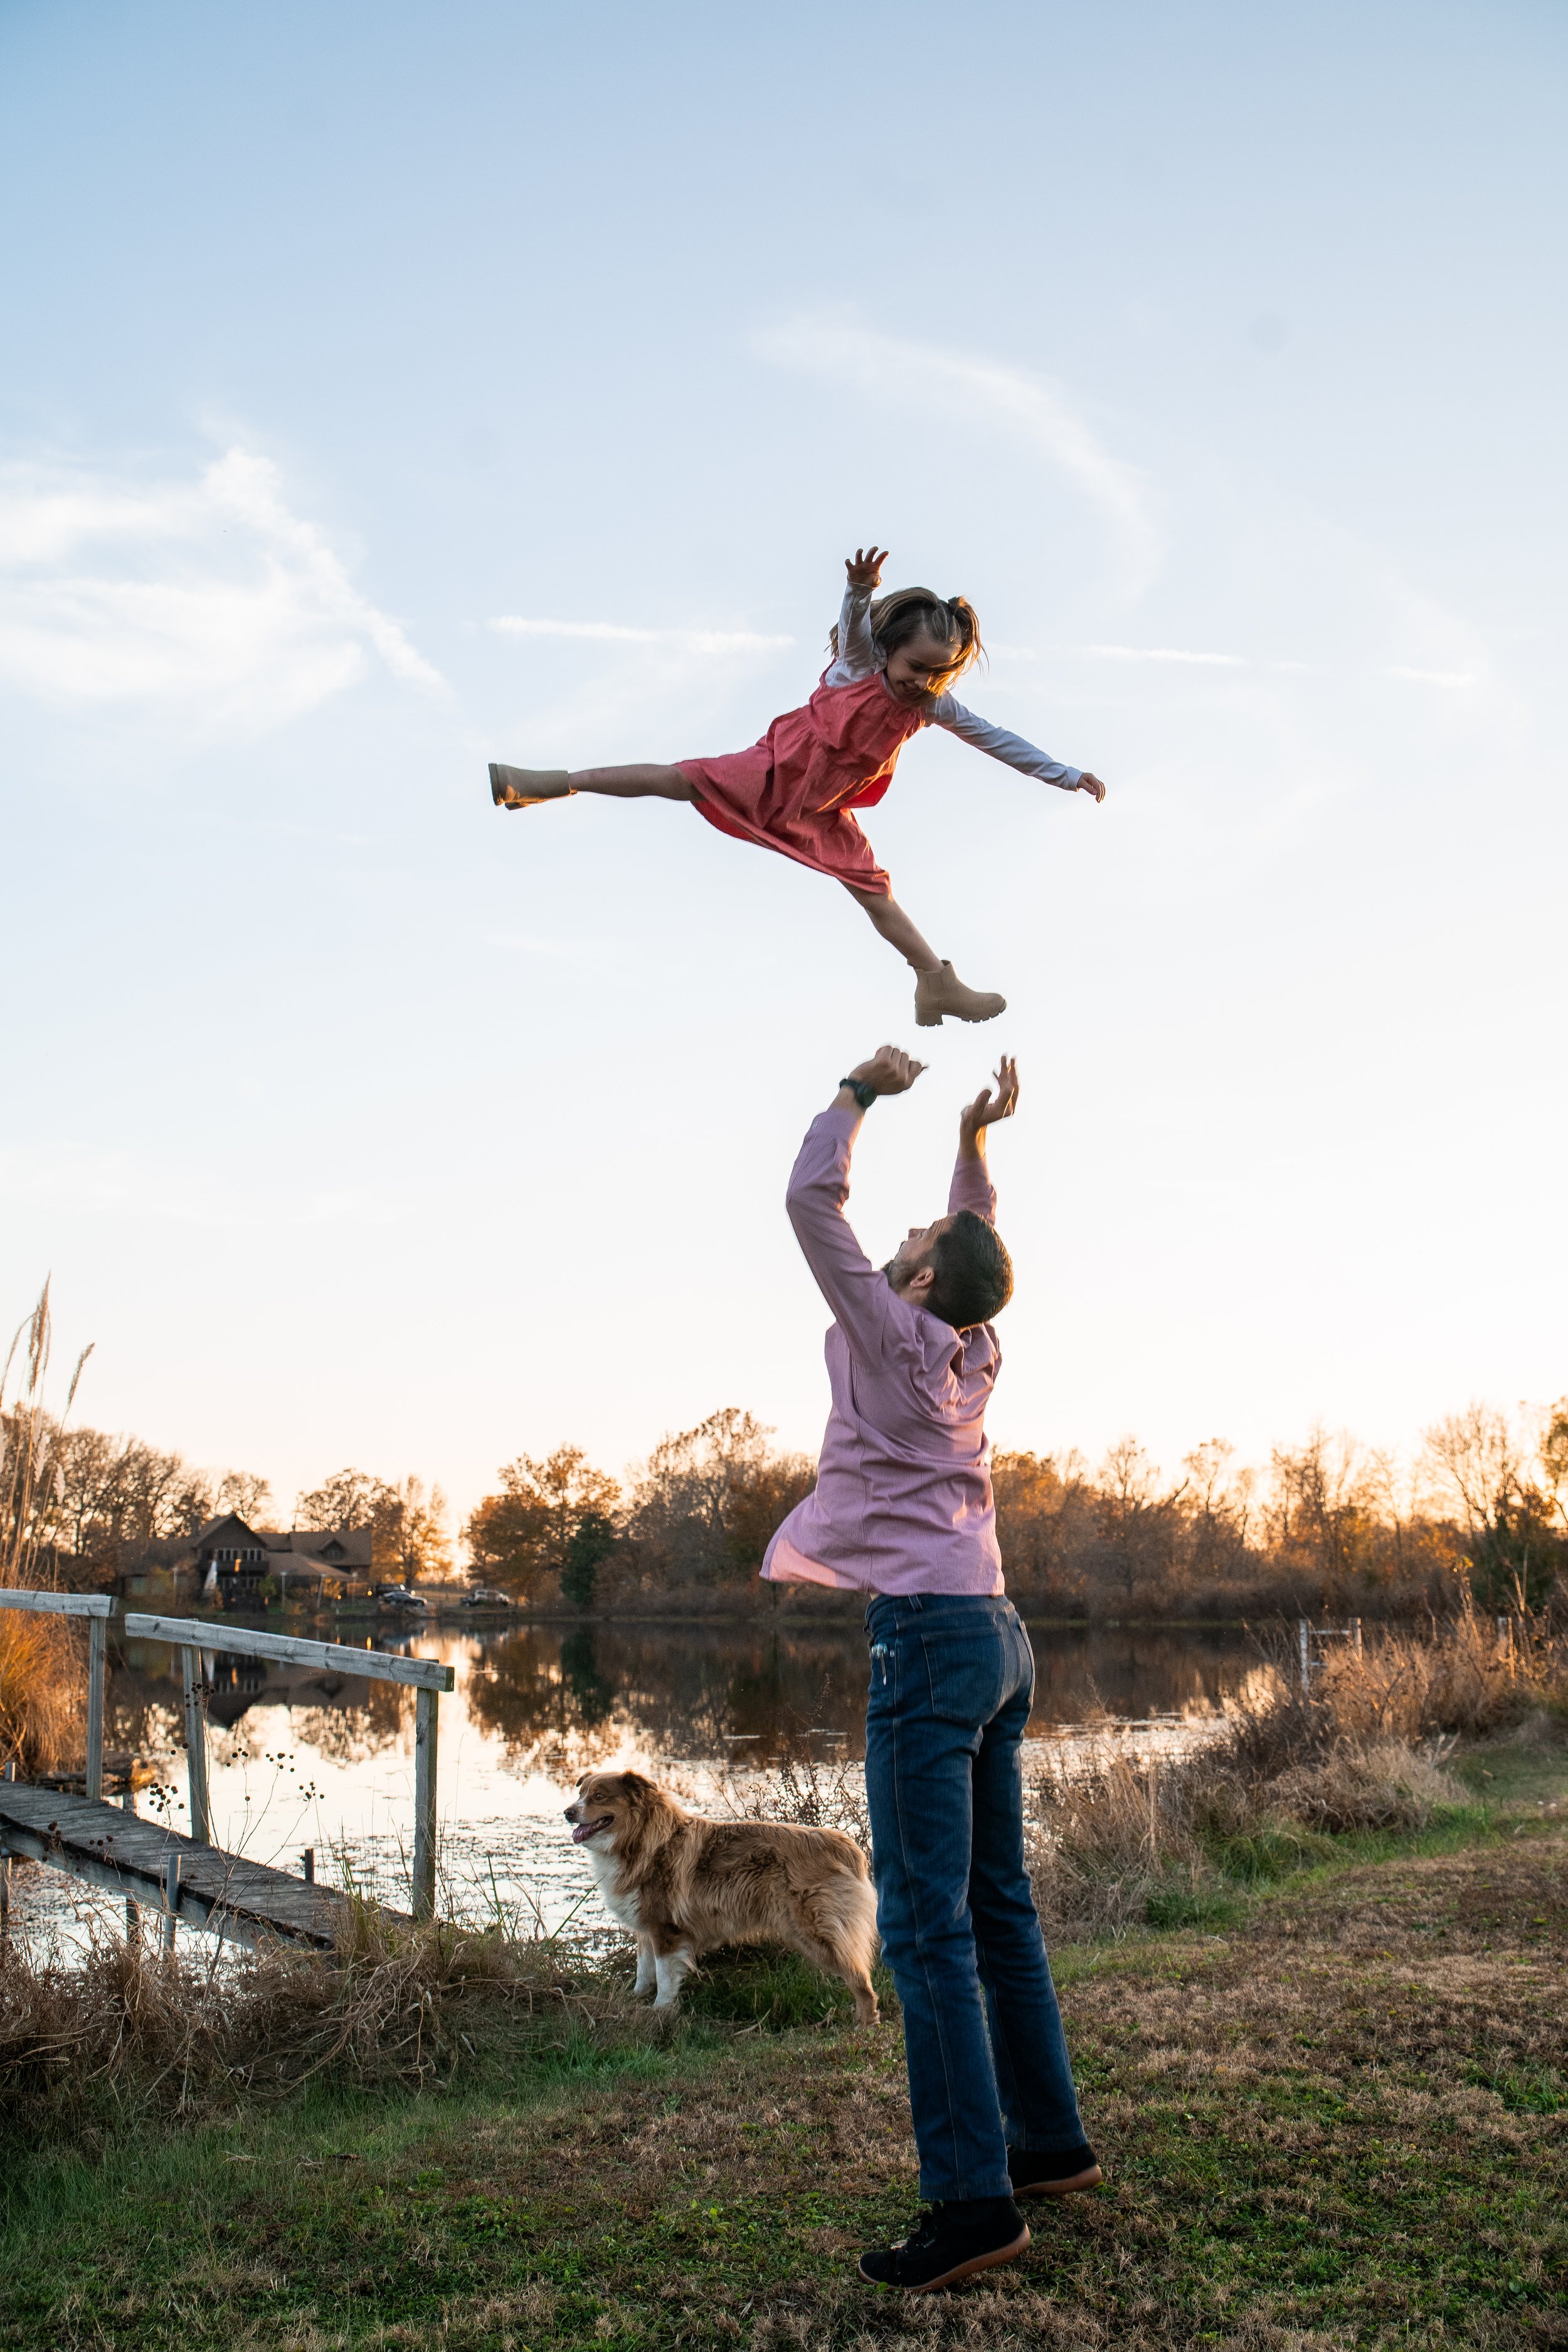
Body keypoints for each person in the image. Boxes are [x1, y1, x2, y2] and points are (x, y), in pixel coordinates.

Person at [762, 1044, 1100, 2295]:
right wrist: (972, 1139)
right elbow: (980, 1244)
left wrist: (856, 1096)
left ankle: (971, 2203)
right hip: (1000, 1638)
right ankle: (1047, 2144)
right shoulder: (970, 1348)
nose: (903, 1236)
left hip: (930, 1640)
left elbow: (811, 1204)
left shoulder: (894, 1334)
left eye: (910, 1236)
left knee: (925, 1928)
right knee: (995, 1904)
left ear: (909, 1278)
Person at [488, 547, 1105, 1030]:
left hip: (819, 809)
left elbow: (998, 739)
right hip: (773, 773)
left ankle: (935, 982)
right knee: (676, 779)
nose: (924, 682)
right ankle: (548, 784)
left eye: (938, 673)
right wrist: (858, 591)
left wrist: (1066, 775)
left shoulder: (931, 709)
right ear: (888, 651)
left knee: (875, 893)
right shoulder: (858, 667)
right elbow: (853, 625)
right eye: (916, 668)